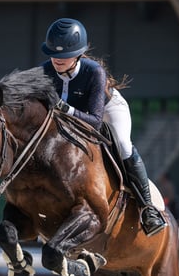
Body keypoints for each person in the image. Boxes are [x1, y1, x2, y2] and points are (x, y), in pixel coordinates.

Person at [40, 17, 166, 236]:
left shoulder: (94, 72)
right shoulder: (43, 71)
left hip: (106, 110)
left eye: (64, 55)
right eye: (54, 54)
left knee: (124, 144)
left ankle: (148, 209)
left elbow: (95, 121)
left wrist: (63, 108)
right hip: (67, 117)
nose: (57, 60)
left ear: (78, 54)